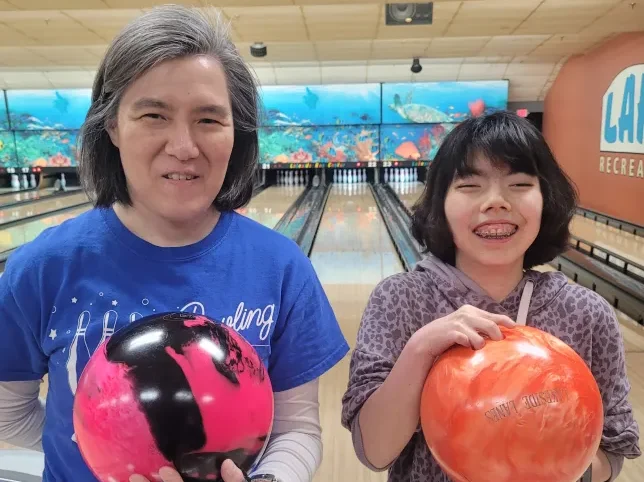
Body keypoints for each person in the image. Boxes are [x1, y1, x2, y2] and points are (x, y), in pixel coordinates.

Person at [0, 5, 349, 482]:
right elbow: (9, 414)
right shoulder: (42, 268)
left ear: (237, 133)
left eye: (209, 120)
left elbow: (296, 430)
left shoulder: (281, 267)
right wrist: (102, 443)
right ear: (113, 126)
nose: (183, 146)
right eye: (153, 115)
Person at [341, 111, 641, 482]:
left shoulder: (586, 312)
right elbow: (374, 451)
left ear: (546, 199)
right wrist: (419, 350)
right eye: (470, 186)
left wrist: (557, 468)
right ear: (441, 203)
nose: (496, 202)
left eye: (519, 184)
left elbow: (612, 447)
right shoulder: (401, 300)